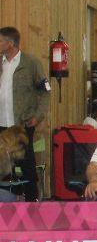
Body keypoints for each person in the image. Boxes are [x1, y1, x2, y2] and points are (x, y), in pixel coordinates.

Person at [0, 26, 49, 201]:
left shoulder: (31, 64)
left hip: (22, 123)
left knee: (26, 162)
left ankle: (31, 199)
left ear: (10, 43)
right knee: (2, 163)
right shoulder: (0, 62)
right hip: (1, 122)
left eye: (0, 40)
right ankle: (6, 198)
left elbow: (45, 91)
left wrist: (38, 116)